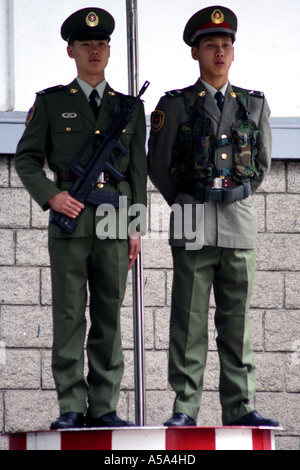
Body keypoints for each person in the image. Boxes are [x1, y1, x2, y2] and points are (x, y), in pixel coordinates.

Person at [15, 7, 147, 429]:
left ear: (109, 50)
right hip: (70, 224)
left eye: (102, 44)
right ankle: (72, 406)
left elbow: (139, 174)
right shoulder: (51, 103)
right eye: (86, 44)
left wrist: (136, 227)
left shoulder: (128, 108)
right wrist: (52, 197)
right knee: (70, 315)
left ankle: (104, 407)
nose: (95, 50)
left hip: (114, 222)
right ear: (71, 50)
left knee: (109, 314)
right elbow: (27, 160)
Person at [148, 6, 279, 427]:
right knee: (188, 321)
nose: (219, 52)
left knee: (236, 323)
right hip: (191, 219)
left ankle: (240, 407)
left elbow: (260, 164)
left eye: (226, 45)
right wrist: (189, 200)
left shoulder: (254, 105)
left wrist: (233, 195)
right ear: (196, 53)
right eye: (210, 45)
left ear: (233, 53)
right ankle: (185, 408)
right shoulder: (177, 105)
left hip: (238, 222)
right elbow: (159, 165)